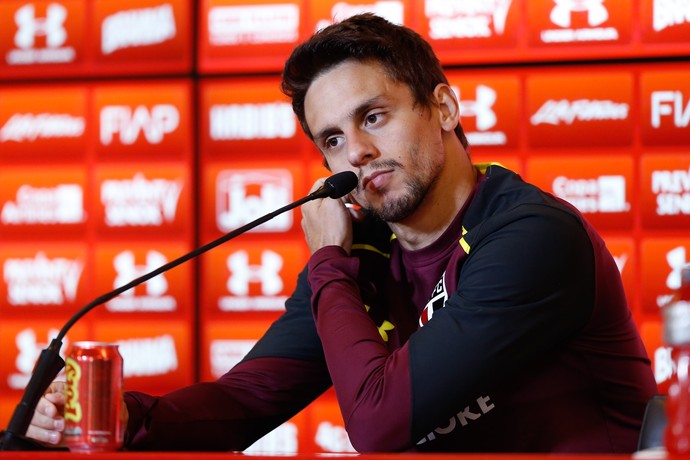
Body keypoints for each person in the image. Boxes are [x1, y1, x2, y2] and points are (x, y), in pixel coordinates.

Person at [26, 13, 657, 453]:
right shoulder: (364, 251)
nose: (355, 152)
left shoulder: (533, 237)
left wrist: (327, 259)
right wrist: (123, 416)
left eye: (373, 116)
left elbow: (382, 424)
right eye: (332, 139)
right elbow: (246, 403)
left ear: (443, 107)